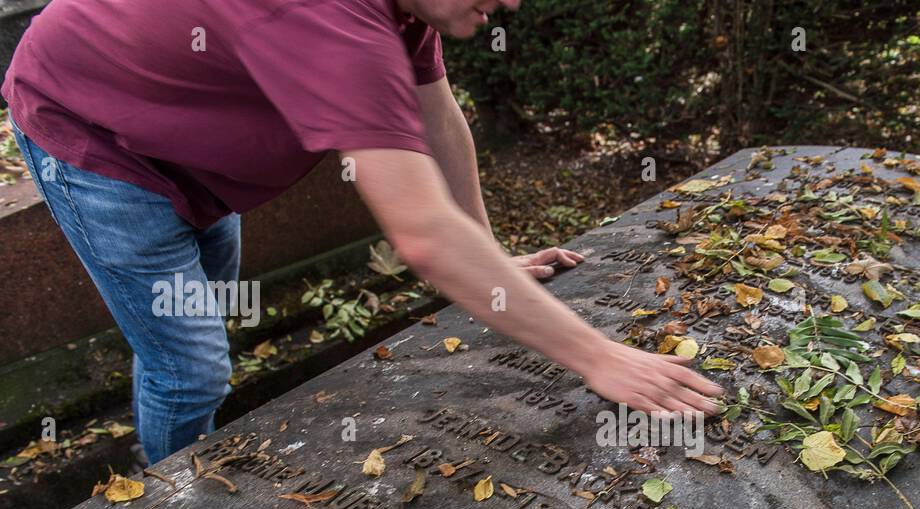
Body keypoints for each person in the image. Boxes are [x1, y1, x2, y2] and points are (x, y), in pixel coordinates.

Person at [3, 0, 722, 464]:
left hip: (189, 151)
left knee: (195, 329)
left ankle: (184, 440)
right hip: (96, 140)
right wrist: (598, 357)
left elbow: (439, 120)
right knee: (190, 369)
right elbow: (421, 235)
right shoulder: (322, 13)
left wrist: (493, 254)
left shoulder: (403, 10)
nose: (511, 4)